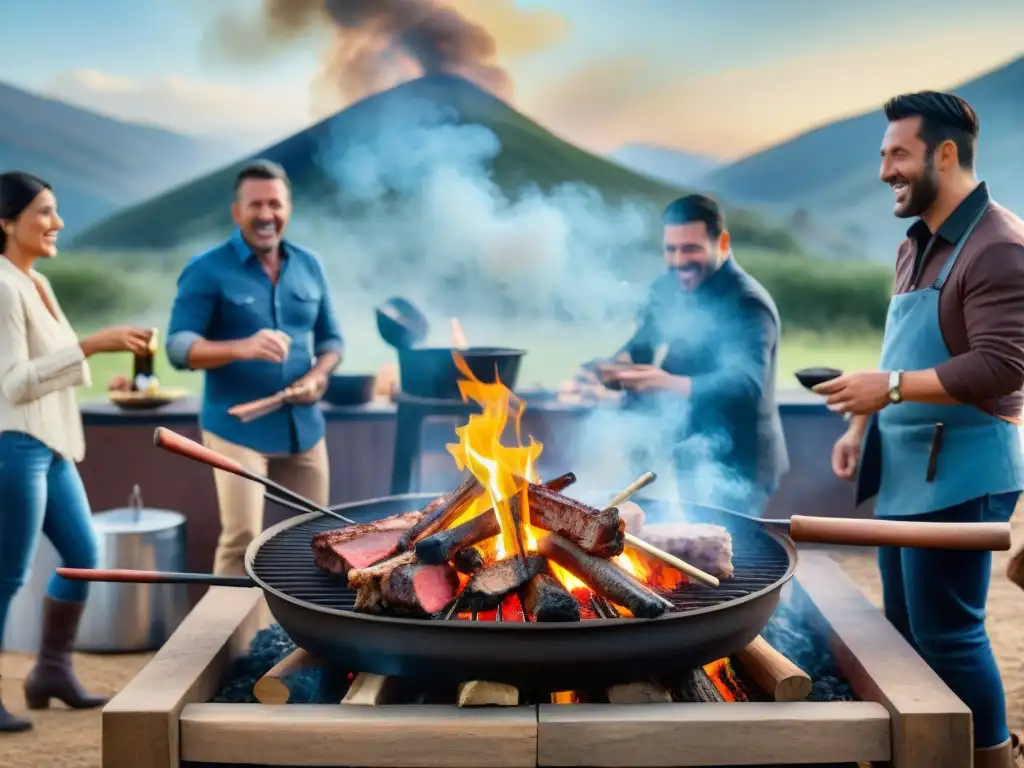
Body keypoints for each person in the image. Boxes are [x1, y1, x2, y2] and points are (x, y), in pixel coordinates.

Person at [817, 91, 1024, 767]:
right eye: (882, 156)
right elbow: (898, 354)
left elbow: (1003, 364)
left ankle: (990, 757)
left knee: (950, 634)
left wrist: (893, 389)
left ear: (944, 153)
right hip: (908, 468)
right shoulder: (915, 245)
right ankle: (923, 752)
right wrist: (859, 423)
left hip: (965, 471)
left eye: (897, 153)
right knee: (903, 632)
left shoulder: (998, 245)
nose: (885, 170)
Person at [0, 172, 154, 732]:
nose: (57, 223)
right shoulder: (2, 285)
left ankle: (51, 672)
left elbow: (52, 365)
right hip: (14, 443)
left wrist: (96, 368)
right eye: (44, 212)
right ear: (6, 222)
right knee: (7, 575)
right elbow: (14, 383)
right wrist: (92, 343)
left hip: (53, 444)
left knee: (83, 555)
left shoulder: (35, 281)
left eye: (57, 211)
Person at [166, 160, 344, 576]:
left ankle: (289, 642)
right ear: (237, 212)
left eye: (275, 204)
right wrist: (243, 347)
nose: (266, 215)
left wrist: (318, 377)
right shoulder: (206, 269)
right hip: (235, 428)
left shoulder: (309, 265)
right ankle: (228, 642)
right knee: (243, 540)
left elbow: (332, 341)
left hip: (305, 426)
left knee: (312, 539)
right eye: (256, 205)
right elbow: (178, 347)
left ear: (288, 208)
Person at [596, 194, 789, 513]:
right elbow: (641, 345)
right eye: (671, 249)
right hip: (691, 452)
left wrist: (667, 384)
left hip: (741, 463)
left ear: (722, 242)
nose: (679, 260)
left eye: (691, 248)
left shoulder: (747, 302)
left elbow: (746, 383)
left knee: (726, 554)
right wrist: (612, 368)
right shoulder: (666, 287)